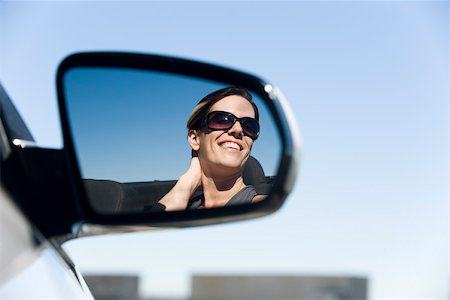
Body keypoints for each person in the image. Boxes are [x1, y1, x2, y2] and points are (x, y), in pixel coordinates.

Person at [155, 87, 266, 211]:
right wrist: (186, 183)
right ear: (194, 139)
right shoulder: (185, 208)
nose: (238, 130)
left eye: (249, 126)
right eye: (222, 120)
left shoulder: (264, 207)